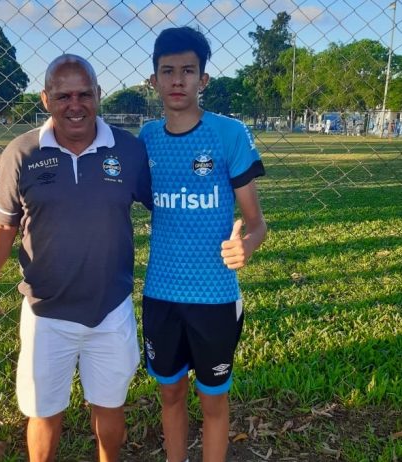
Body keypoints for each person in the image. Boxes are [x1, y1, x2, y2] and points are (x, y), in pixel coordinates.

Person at [0, 54, 152, 462]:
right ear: (45, 99)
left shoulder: (128, 150)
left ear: (98, 95)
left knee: (110, 405)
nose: (75, 105)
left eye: (84, 94)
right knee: (43, 411)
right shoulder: (22, 152)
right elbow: (4, 225)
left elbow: (165, 206)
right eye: (63, 96)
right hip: (45, 312)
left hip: (110, 308)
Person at [139, 26, 267, 462]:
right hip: (161, 293)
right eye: (168, 71)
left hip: (214, 295)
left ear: (203, 79)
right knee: (170, 394)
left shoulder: (228, 135)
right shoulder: (146, 139)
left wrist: (247, 245)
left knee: (213, 400)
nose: (178, 80)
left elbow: (257, 224)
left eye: (188, 71)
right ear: (153, 80)